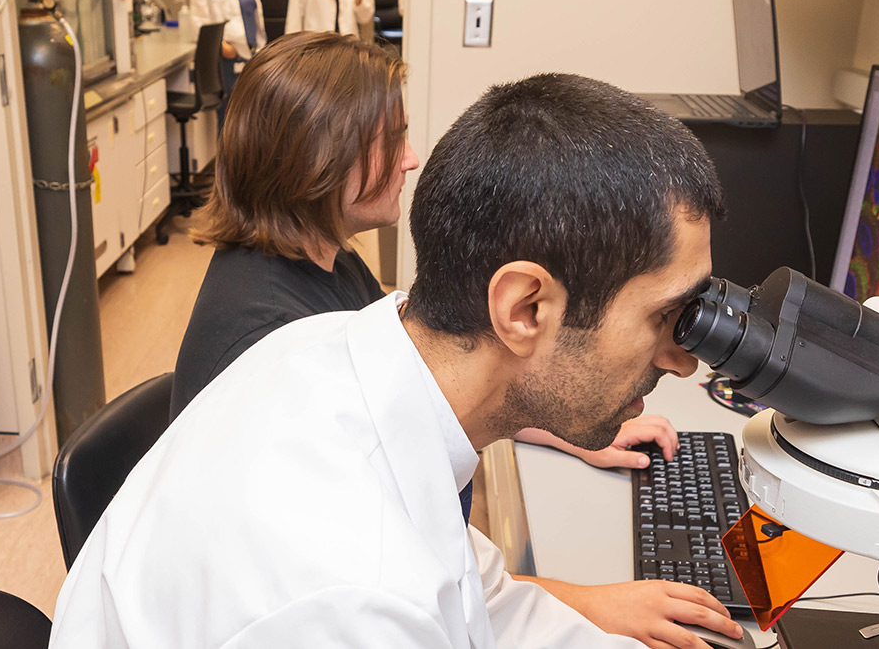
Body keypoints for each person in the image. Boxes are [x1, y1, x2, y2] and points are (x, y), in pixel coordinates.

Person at [50, 73, 742, 649]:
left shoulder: (343, 356)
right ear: (525, 308)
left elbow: (481, 604)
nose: (683, 362)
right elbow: (405, 602)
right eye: (662, 317)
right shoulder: (351, 597)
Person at [173, 32, 682, 472]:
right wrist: (562, 591)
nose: (411, 160)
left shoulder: (328, 261)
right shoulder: (270, 341)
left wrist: (567, 428)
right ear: (313, 159)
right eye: (391, 141)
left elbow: (424, 390)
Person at [188, 0, 266, 127]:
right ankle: (225, 149)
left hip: (252, 57)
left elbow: (254, 19)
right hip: (228, 60)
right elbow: (198, 25)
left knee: (252, 117)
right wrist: (222, 46)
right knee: (229, 118)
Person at [285, 0, 375, 42]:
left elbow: (364, 18)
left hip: (347, 45)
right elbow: (294, 18)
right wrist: (291, 49)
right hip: (317, 44)